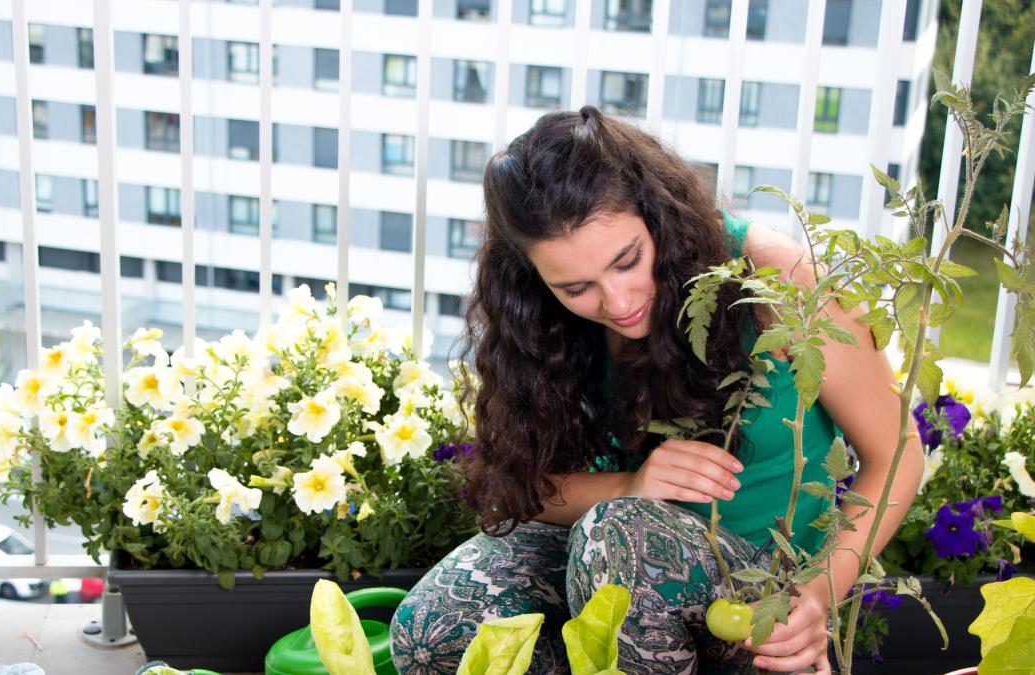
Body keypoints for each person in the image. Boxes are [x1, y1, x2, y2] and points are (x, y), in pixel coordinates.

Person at [389, 107, 925, 674]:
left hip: (760, 591)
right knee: (436, 628)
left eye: (628, 262)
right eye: (576, 287)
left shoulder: (773, 278)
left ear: (658, 217)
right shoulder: (539, 326)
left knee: (617, 537)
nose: (618, 304)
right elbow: (526, 487)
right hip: (608, 566)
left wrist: (816, 595)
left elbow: (897, 454)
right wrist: (631, 483)